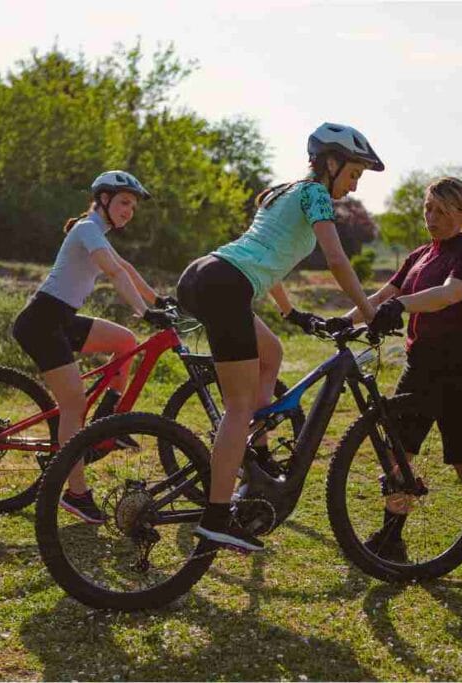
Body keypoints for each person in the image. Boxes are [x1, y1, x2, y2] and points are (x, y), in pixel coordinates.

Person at [176, 122, 385, 552]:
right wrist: (370, 313)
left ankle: (260, 451)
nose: (353, 184)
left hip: (207, 272)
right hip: (226, 283)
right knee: (238, 405)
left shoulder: (284, 191)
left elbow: (265, 251)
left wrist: (291, 312)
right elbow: (336, 260)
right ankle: (217, 517)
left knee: (271, 352)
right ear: (330, 163)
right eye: (352, 174)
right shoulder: (315, 195)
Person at [353, 176, 462, 607]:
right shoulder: (419, 255)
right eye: (428, 210)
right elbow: (384, 294)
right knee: (399, 457)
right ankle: (392, 541)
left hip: (457, 371)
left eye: (442, 213)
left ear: (461, 216)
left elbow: (450, 294)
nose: (431, 219)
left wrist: (402, 306)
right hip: (419, 367)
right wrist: (346, 320)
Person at [12, 170, 173, 524]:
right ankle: (75, 493)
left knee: (126, 343)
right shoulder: (87, 228)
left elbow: (124, 267)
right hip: (41, 322)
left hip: (63, 318)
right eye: (124, 202)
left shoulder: (96, 232)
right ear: (103, 200)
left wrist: (158, 298)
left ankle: (107, 423)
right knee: (73, 404)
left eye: (132, 205)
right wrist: (145, 312)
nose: (129, 210)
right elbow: (115, 274)